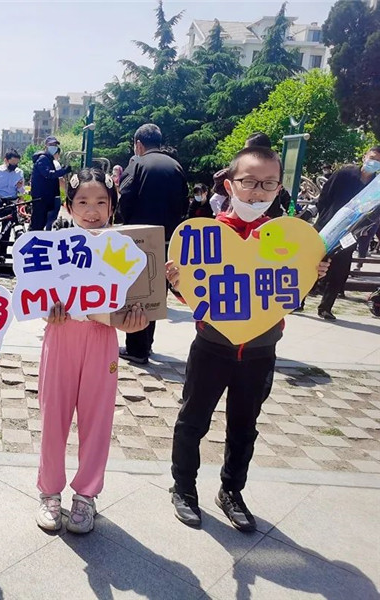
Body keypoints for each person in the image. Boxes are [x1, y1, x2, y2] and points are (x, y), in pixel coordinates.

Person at [166, 146, 330, 532]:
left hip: (260, 350)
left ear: (279, 188)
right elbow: (192, 295)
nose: (258, 192)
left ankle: (231, 490)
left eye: (269, 184)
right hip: (212, 345)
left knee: (244, 425)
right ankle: (183, 487)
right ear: (230, 185)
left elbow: (290, 292)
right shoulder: (205, 234)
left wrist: (314, 271)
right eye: (249, 182)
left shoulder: (289, 239)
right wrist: (177, 283)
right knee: (193, 419)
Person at [36, 168, 148, 534]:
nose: (92, 210)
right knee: (53, 418)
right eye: (82, 202)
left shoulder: (125, 251)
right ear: (68, 207)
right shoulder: (52, 248)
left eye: (101, 202)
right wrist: (47, 310)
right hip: (61, 337)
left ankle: (86, 494)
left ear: (112, 207)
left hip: (102, 341)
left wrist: (134, 322)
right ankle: (49, 492)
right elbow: (36, 296)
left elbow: (138, 303)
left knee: (98, 420)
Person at [117, 123, 187, 365]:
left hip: (139, 239)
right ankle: (147, 343)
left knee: (137, 292)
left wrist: (125, 224)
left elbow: (125, 199)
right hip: (167, 239)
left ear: (138, 144)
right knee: (156, 292)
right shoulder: (175, 166)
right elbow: (184, 203)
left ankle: (136, 348)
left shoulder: (137, 164)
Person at [315, 146, 380, 319]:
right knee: (315, 262)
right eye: (372, 158)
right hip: (328, 227)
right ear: (364, 157)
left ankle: (326, 307)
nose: (374, 163)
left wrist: (365, 228)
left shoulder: (376, 186)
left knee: (340, 269)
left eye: (378, 161)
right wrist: (326, 218)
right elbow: (325, 196)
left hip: (351, 232)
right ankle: (300, 300)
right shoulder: (344, 174)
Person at [30, 136, 72, 231]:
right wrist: (63, 171)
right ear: (46, 146)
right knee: (38, 223)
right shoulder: (43, 159)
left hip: (47, 197)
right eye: (51, 144)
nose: (54, 147)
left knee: (43, 222)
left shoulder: (49, 160)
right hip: (41, 197)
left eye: (55, 145)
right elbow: (47, 174)